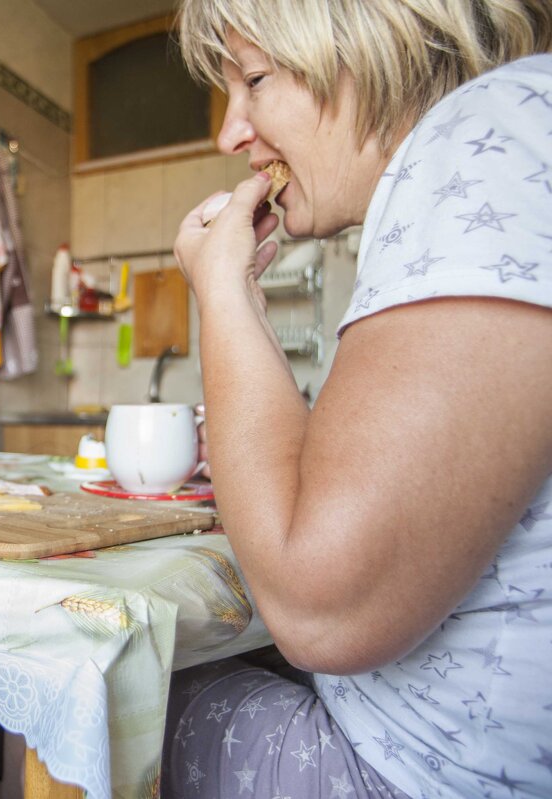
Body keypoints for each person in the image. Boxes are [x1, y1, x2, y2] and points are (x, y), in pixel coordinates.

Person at [164, 1, 552, 797]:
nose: (230, 134)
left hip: (410, 776)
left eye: (257, 79)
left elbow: (317, 605)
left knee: (105, 684)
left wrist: (222, 296)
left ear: (371, 47)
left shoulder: (483, 136)